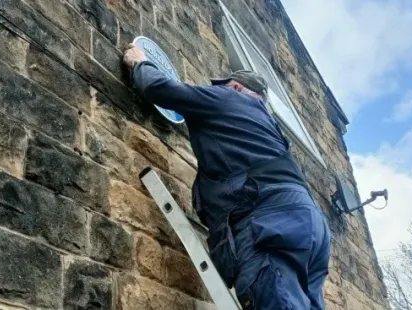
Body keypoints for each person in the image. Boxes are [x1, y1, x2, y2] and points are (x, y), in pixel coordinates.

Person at [123, 43, 331, 310]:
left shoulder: (227, 98)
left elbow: (160, 89)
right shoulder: (269, 125)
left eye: (223, 85)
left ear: (234, 87)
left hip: (268, 222)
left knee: (275, 298)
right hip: (312, 229)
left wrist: (139, 62)